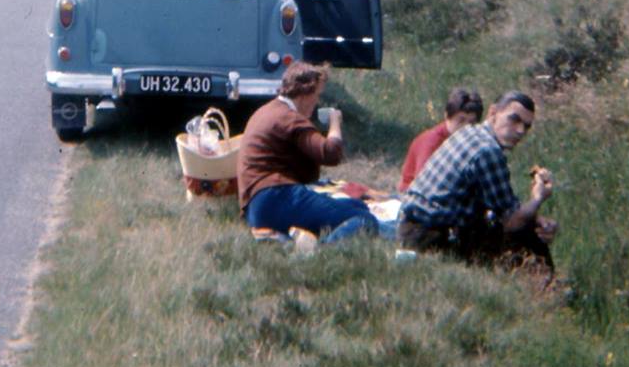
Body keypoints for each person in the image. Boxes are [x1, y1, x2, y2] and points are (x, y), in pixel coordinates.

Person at [398, 90, 558, 274]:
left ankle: (542, 285)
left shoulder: (469, 133)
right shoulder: (488, 151)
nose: (520, 131)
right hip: (432, 238)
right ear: (493, 113)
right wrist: (537, 199)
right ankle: (546, 288)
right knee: (523, 232)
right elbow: (512, 221)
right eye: (514, 120)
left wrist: (536, 219)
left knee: (523, 224)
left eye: (526, 126)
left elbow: (502, 205)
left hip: (411, 228)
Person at [237, 61, 378, 248]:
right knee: (364, 218)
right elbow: (331, 153)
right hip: (276, 197)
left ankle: (285, 236)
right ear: (305, 93)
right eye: (316, 95)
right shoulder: (290, 119)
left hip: (255, 208)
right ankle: (322, 250)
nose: (316, 102)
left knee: (356, 205)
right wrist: (335, 123)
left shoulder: (265, 112)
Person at [397, 88, 483, 192]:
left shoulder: (469, 141)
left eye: (472, 123)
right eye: (461, 120)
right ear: (447, 116)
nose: (466, 127)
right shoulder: (432, 141)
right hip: (413, 197)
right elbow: (424, 184)